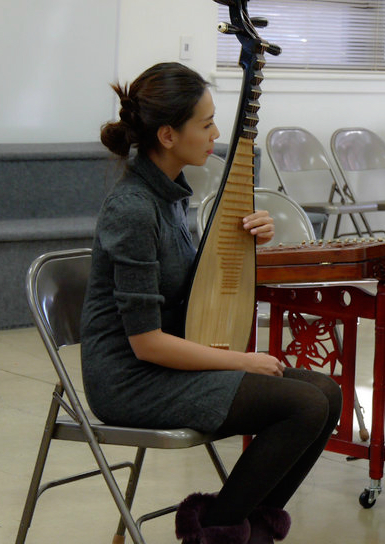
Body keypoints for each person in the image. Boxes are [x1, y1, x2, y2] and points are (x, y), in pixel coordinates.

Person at [80, 61, 341, 544]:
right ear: (167, 135)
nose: (216, 133)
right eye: (205, 123)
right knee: (302, 406)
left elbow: (188, 288)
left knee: (327, 394)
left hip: (165, 363)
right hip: (131, 380)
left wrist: (246, 241)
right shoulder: (134, 209)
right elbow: (146, 343)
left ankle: (246, 528)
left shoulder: (170, 197)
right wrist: (239, 361)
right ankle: (218, 530)